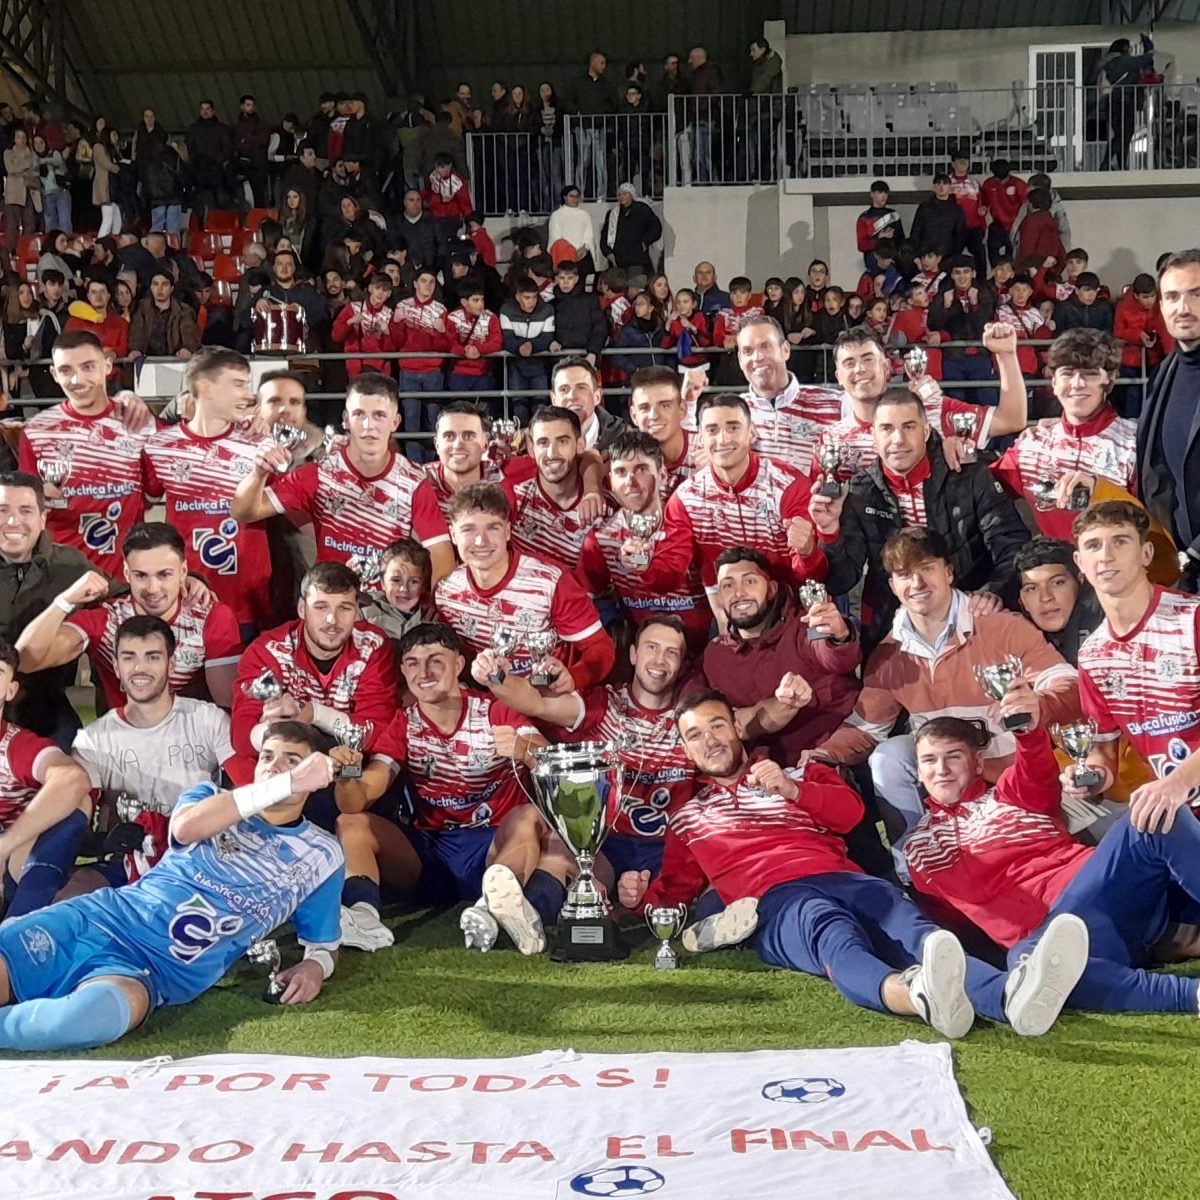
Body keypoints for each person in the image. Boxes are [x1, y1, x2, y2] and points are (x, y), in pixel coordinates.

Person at [620, 690, 1086, 1038]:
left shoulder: (804, 773)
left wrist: (791, 790)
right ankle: (913, 997)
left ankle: (1008, 998)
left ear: (738, 728)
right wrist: (638, 901)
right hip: (779, 900)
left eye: (717, 726)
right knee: (832, 934)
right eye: (695, 735)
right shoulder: (689, 818)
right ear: (686, 750)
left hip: (845, 878)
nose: (710, 740)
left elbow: (851, 815)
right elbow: (672, 893)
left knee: (923, 936)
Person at [0, 720, 343, 1051]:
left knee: (92, 1018)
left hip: (151, 973)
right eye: (267, 757)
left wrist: (315, 966)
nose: (275, 766)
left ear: (313, 778)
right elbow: (186, 829)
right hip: (100, 920)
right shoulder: (209, 796)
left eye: (292, 760)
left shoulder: (322, 854)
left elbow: (324, 943)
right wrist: (286, 782)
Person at [904, 712, 1200, 1016]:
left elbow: (1035, 763)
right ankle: (1193, 995)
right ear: (919, 769)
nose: (941, 770)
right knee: (1030, 970)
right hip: (1061, 940)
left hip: (1102, 891)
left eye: (953, 757)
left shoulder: (1010, 795)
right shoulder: (918, 851)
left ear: (978, 763)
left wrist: (1027, 729)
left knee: (1154, 812)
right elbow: (953, 926)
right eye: (929, 760)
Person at [815, 525, 1080, 859]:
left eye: (927, 569)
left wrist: (1040, 702)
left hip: (1016, 782)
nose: (918, 584)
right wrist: (820, 756)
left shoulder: (1003, 627)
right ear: (893, 586)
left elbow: (1068, 684)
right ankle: (913, 858)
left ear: (949, 571)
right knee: (889, 756)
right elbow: (865, 728)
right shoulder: (889, 655)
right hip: (952, 786)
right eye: (905, 575)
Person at [328, 623, 547, 952]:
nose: (424, 672)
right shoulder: (405, 723)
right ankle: (363, 917)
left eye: (435, 660)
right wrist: (345, 776)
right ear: (403, 670)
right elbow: (357, 801)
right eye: (413, 662)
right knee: (351, 823)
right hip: (431, 853)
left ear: (459, 665)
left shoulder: (493, 711)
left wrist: (522, 749)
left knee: (530, 816)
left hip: (492, 847)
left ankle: (496, 906)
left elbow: (551, 762)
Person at [473, 616, 695, 906]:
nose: (660, 660)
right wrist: (495, 677)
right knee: (556, 854)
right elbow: (536, 703)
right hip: (604, 844)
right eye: (651, 647)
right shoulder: (604, 703)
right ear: (633, 654)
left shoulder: (692, 716)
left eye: (671, 652)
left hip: (663, 849)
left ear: (681, 663)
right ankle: (512, 913)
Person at [810, 390, 1031, 651]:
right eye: (887, 429)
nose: (898, 439)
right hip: (894, 629)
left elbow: (1013, 544)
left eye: (909, 427)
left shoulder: (967, 473)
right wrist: (829, 531)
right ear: (874, 436)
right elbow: (841, 581)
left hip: (973, 614)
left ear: (926, 432)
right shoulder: (859, 492)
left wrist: (993, 591)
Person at [68, 614, 235, 891]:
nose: (140, 668)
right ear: (116, 666)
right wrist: (105, 839)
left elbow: (243, 787)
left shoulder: (207, 719)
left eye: (153, 657)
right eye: (129, 657)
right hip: (131, 859)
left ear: (171, 664)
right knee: (68, 892)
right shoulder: (92, 740)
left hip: (201, 857)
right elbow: (74, 821)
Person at [233, 372, 454, 581]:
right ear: (346, 420)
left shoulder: (413, 480)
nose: (369, 426)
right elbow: (243, 511)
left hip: (389, 610)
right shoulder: (320, 473)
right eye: (359, 415)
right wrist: (258, 472)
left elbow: (441, 555)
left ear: (395, 422)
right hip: (332, 601)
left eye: (379, 415)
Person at [15, 517, 241, 714]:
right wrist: (63, 602)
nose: (153, 588)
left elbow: (225, 705)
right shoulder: (106, 618)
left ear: (183, 572)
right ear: (126, 573)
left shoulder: (210, 616)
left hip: (190, 743)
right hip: (119, 748)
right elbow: (26, 661)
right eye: (141, 575)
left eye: (164, 575)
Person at [635, 395, 825, 622]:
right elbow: (669, 578)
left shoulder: (789, 485)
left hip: (789, 612)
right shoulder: (687, 499)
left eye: (733, 427)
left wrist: (807, 552)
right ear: (700, 438)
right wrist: (642, 563)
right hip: (729, 617)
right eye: (712, 430)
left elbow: (813, 576)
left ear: (751, 432)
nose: (723, 439)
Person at [1071, 502, 1200, 818]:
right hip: (1177, 816)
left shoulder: (1191, 619)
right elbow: (1104, 746)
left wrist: (1178, 782)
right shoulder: (1092, 655)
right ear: (1080, 563)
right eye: (1093, 545)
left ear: (1146, 554)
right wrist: (1093, 775)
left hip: (1175, 798)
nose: (1106, 555)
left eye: (1120, 541)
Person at [231, 562, 396, 799]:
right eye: (320, 607)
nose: (333, 620)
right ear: (301, 608)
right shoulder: (267, 651)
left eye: (345, 608)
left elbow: (378, 733)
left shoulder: (372, 645)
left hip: (348, 766)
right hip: (287, 767)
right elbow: (242, 737)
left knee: (367, 771)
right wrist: (274, 728)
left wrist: (313, 713)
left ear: (357, 610)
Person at [142, 348, 274, 638]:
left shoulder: (259, 444)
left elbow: (294, 499)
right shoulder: (160, 446)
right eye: (237, 384)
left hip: (246, 599)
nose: (248, 395)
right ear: (205, 388)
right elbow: (139, 503)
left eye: (248, 385)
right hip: (183, 596)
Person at [435, 483, 615, 691]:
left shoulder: (551, 580)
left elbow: (601, 648)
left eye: (493, 527)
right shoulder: (445, 593)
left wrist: (574, 677)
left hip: (550, 700)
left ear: (509, 531)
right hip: (492, 707)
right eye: (468, 529)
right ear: (453, 535)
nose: (480, 540)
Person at [700, 545, 861, 765]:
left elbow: (831, 653)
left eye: (750, 581)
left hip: (832, 751)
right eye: (728, 586)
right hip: (765, 769)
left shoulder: (805, 624)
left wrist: (839, 636)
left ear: (772, 589)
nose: (739, 593)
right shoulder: (715, 655)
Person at [812, 326, 1027, 486]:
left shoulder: (932, 409)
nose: (859, 369)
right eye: (849, 363)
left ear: (886, 367)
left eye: (868, 359)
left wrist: (1006, 354)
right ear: (838, 377)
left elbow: (1012, 419)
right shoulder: (833, 439)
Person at [17, 331, 152, 577]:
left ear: (107, 365)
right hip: (60, 579)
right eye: (66, 370)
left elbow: (158, 489)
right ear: (55, 375)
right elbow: (25, 507)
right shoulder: (36, 431)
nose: (78, 379)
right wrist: (39, 501)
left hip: (125, 579)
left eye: (88, 366)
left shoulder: (136, 422)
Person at [994, 329, 1137, 540]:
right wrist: (955, 449)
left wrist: (1101, 490)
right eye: (1067, 373)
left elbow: (1154, 522)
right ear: (1053, 381)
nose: (1077, 383)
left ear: (1109, 380)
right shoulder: (1032, 445)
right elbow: (980, 488)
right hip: (1058, 570)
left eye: (1090, 374)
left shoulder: (1135, 443)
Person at [576, 432, 709, 651]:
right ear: (610, 481)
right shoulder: (601, 538)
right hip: (643, 656)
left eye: (641, 469)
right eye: (621, 472)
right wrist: (612, 625)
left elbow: (670, 577)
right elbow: (588, 596)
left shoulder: (691, 520)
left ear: (663, 474)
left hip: (701, 650)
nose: (631, 481)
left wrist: (644, 566)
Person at [0, 636, 92, 918]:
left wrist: (3, 847)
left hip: (13, 863)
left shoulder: (16, 746)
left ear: (11, 690)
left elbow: (73, 780)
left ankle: (19, 927)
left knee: (78, 801)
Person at [1136, 250, 1200, 584]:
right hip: (1181, 571)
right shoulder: (1164, 373)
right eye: (1172, 296)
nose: (1183, 308)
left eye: (1196, 294)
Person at [510, 405, 611, 572]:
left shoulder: (606, 502)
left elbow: (641, 560)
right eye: (543, 442)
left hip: (592, 597)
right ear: (531, 448)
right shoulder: (514, 500)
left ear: (580, 445)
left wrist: (639, 560)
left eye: (562, 441)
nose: (552, 453)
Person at [423, 401, 536, 521]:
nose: (458, 445)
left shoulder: (504, 477)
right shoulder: (417, 482)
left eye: (469, 436)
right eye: (449, 436)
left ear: (485, 443)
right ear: (437, 444)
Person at [928, 255, 999, 404]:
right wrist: (945, 308)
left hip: (980, 355)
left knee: (987, 398)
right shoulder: (944, 293)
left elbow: (985, 325)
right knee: (955, 400)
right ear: (952, 275)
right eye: (958, 272)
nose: (962, 277)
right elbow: (933, 325)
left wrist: (975, 305)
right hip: (953, 357)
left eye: (966, 272)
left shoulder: (984, 293)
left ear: (973, 273)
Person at [628, 366, 697, 495]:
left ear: (682, 409)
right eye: (645, 408)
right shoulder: (627, 461)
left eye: (665, 405)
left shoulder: (709, 449)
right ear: (634, 416)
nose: (654, 415)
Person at [500, 278, 559, 404]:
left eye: (534, 297)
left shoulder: (547, 310)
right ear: (517, 297)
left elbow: (547, 337)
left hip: (539, 366)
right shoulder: (506, 310)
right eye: (527, 298)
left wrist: (530, 345)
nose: (531, 302)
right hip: (516, 366)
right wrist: (520, 347)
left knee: (540, 406)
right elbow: (506, 339)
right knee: (519, 406)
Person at [331, 272, 395, 379]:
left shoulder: (390, 315)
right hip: (355, 369)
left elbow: (392, 350)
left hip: (380, 371)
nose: (380, 293)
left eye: (385, 290)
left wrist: (387, 333)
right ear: (370, 288)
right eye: (377, 288)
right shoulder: (353, 308)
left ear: (389, 294)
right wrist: (349, 322)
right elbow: (335, 336)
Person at [128, 269, 200, 362]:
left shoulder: (184, 310)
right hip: (147, 360)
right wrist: (135, 349)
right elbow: (136, 333)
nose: (159, 289)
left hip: (174, 359)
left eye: (164, 284)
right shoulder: (142, 307)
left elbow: (190, 336)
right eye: (155, 284)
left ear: (172, 288)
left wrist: (187, 349)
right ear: (150, 287)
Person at [551, 260, 607, 364]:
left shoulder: (590, 300)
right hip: (559, 358)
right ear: (557, 279)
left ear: (576, 279)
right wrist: (551, 342)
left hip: (586, 358)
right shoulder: (551, 304)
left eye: (570, 278)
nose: (566, 282)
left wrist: (593, 352)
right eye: (562, 278)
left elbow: (600, 328)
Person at [600, 183, 661, 274]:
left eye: (625, 193)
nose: (621, 197)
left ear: (631, 195)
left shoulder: (642, 210)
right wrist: (608, 253)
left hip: (637, 260)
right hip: (617, 262)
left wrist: (644, 242)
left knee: (635, 286)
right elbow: (604, 236)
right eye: (619, 194)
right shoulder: (612, 214)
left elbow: (656, 228)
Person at [980, 160, 1027, 267]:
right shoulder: (988, 184)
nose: (1000, 180)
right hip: (997, 225)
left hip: (1016, 226)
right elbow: (984, 201)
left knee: (1014, 259)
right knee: (993, 256)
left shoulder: (1019, 184)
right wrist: (983, 208)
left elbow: (1026, 204)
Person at [910, 174, 966, 261]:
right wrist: (917, 255)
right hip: (925, 255)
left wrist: (954, 257)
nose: (941, 187)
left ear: (950, 188)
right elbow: (916, 231)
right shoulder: (924, 207)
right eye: (938, 183)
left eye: (945, 184)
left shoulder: (956, 210)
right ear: (933, 187)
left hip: (948, 256)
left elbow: (960, 236)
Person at [547, 185, 598, 276]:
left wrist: (583, 250)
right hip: (564, 257)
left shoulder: (584, 214)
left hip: (582, 256)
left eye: (577, 196)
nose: (575, 199)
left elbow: (589, 236)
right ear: (565, 197)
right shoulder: (557, 215)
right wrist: (570, 252)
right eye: (572, 196)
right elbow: (556, 237)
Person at [856, 181, 904, 271]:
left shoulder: (894, 215)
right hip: (873, 263)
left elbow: (901, 240)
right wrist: (878, 238)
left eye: (886, 193)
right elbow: (862, 245)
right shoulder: (865, 218)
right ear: (872, 194)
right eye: (880, 192)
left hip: (893, 263)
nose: (883, 196)